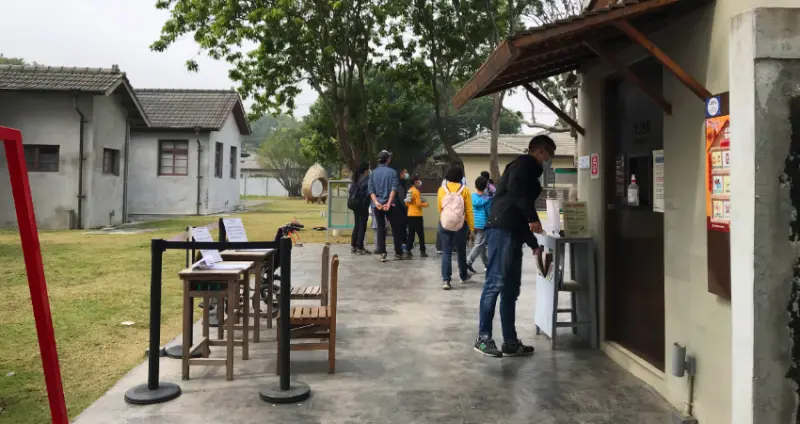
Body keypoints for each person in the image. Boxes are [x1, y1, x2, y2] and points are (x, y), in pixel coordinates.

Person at [474, 134, 556, 358]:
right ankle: (483, 338)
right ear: (540, 151)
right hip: (501, 229)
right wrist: (533, 218)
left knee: (511, 289)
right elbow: (517, 194)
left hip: (513, 231)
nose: (550, 159)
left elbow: (519, 208)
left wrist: (533, 244)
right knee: (494, 283)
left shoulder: (529, 173)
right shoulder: (525, 164)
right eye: (550, 154)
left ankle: (510, 342)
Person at [437, 164, 474, 290]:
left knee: (446, 252)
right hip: (460, 224)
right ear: (460, 176)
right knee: (461, 251)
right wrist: (471, 228)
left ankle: (446, 280)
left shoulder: (442, 190)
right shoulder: (465, 190)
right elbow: (468, 211)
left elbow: (440, 208)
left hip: (445, 224)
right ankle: (463, 276)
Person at [368, 150, 406, 262]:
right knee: (395, 228)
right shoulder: (392, 172)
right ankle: (398, 252)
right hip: (391, 205)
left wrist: (376, 203)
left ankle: (382, 253)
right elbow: (394, 188)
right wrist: (389, 203)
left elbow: (371, 190)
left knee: (381, 228)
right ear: (388, 160)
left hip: (377, 206)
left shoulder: (373, 173)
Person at [466, 176, 491, 273]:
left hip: (473, 223)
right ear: (485, 187)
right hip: (482, 224)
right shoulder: (487, 199)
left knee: (482, 245)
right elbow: (488, 212)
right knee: (479, 244)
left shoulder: (472, 197)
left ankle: (487, 263)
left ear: (476, 186)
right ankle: (468, 262)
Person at [348, 164, 371, 254]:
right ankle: (360, 247)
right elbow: (367, 193)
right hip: (362, 205)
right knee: (362, 226)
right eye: (368, 170)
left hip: (355, 205)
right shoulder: (366, 180)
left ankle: (354, 245)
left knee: (357, 225)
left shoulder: (355, 179)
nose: (369, 172)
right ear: (365, 171)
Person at [405, 174, 429, 257]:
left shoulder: (409, 191)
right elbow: (419, 203)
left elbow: (407, 203)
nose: (419, 182)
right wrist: (425, 204)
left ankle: (408, 251)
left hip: (410, 214)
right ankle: (422, 251)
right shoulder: (416, 191)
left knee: (411, 234)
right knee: (420, 234)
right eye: (418, 180)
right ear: (415, 181)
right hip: (417, 215)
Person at [395, 168, 411, 258]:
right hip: (401, 210)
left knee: (404, 228)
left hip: (403, 210)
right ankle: (401, 247)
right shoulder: (399, 185)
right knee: (401, 229)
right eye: (404, 173)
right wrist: (407, 207)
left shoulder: (405, 183)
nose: (406, 174)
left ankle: (403, 245)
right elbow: (402, 198)